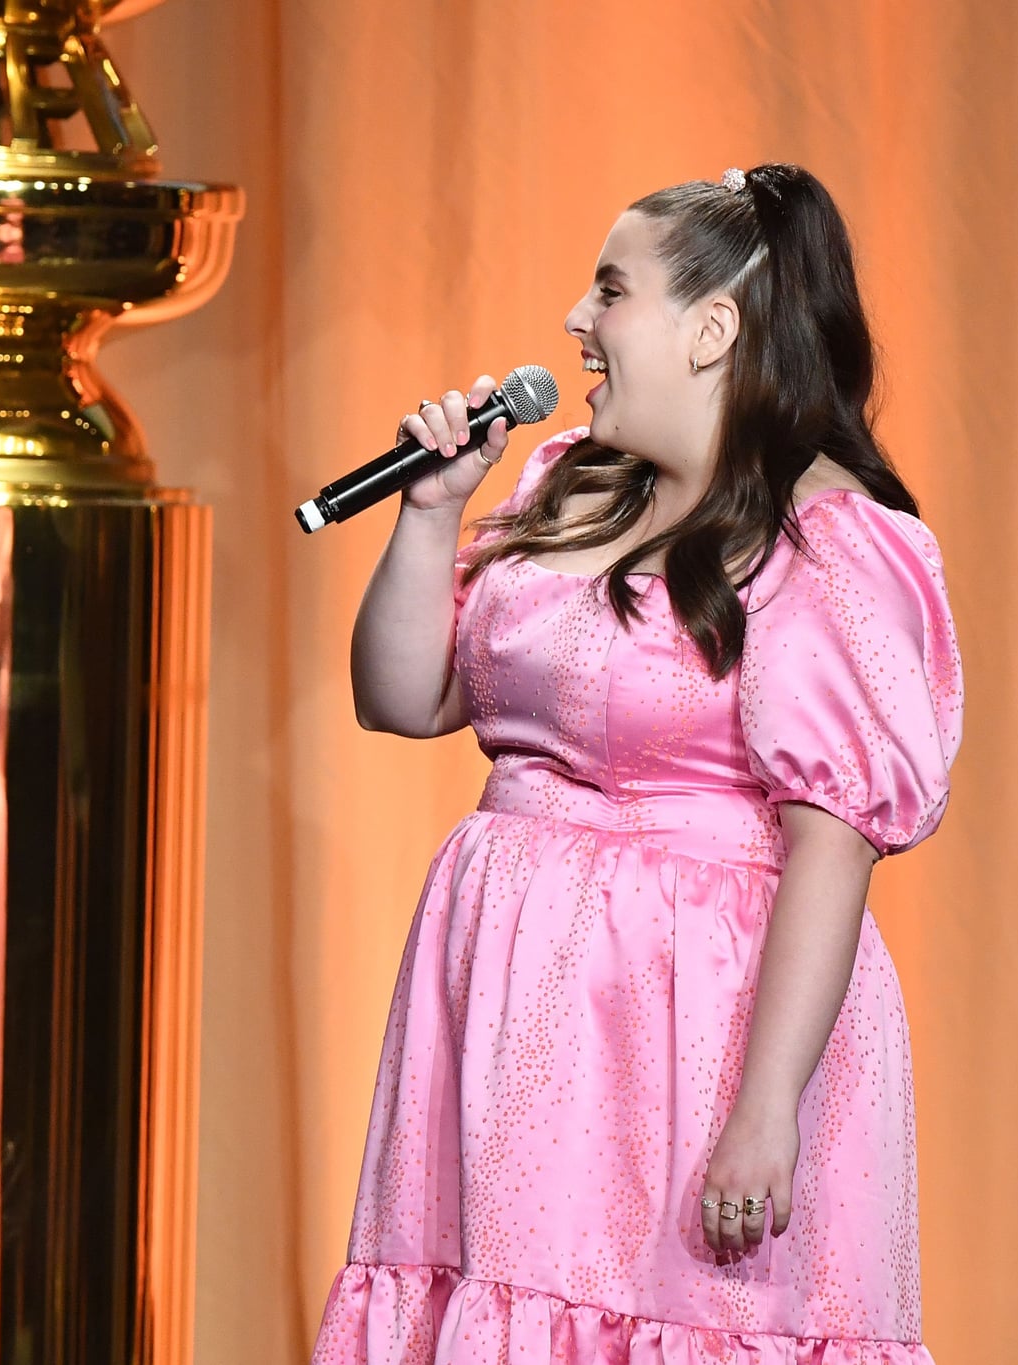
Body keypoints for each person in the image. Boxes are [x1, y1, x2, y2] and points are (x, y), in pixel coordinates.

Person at [313, 164, 960, 1363]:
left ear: (711, 329)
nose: (574, 321)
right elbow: (401, 701)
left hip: (686, 1021)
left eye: (609, 290)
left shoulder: (827, 539)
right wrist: (428, 514)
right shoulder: (569, 480)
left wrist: (764, 1109)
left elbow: (832, 843)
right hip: (512, 1001)